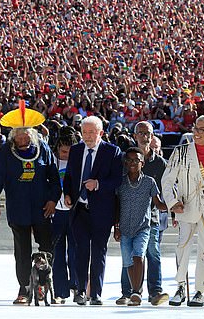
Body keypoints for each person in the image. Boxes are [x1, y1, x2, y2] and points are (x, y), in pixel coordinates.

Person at [0, 104, 61, 305]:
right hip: (18, 209)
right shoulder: (5, 152)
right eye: (18, 135)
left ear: (32, 134)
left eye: (26, 135)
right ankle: (25, 290)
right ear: (12, 136)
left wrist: (53, 199)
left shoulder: (43, 148)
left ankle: (45, 287)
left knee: (46, 248)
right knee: (22, 252)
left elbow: (54, 177)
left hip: (42, 209)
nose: (22, 139)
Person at [162, 115, 204, 307]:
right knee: (182, 247)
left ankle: (201, 290)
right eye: (195, 128)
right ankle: (181, 286)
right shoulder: (180, 152)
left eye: (201, 129)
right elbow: (167, 180)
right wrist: (173, 202)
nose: (196, 132)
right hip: (186, 206)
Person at [63, 116, 122, 306]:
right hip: (79, 209)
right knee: (80, 251)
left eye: (91, 132)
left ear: (101, 133)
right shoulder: (76, 150)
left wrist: (98, 184)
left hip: (102, 211)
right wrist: (67, 194)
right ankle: (80, 290)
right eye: (84, 132)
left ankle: (95, 293)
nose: (87, 136)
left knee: (98, 252)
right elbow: (70, 176)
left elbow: (117, 181)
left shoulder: (112, 152)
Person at [117, 121, 169, 306]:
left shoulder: (161, 163)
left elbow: (166, 190)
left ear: (152, 135)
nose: (144, 136)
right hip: (128, 218)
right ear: (134, 135)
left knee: (152, 253)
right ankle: (127, 292)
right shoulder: (125, 160)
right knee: (128, 255)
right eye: (140, 132)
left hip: (151, 218)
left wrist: (174, 207)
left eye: (147, 133)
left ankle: (155, 292)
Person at [51, 133, 79, 304]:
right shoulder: (52, 164)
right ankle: (59, 290)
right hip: (56, 213)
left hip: (74, 212)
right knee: (57, 253)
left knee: (75, 252)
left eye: (68, 152)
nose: (65, 155)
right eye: (62, 151)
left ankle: (76, 286)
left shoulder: (78, 164)